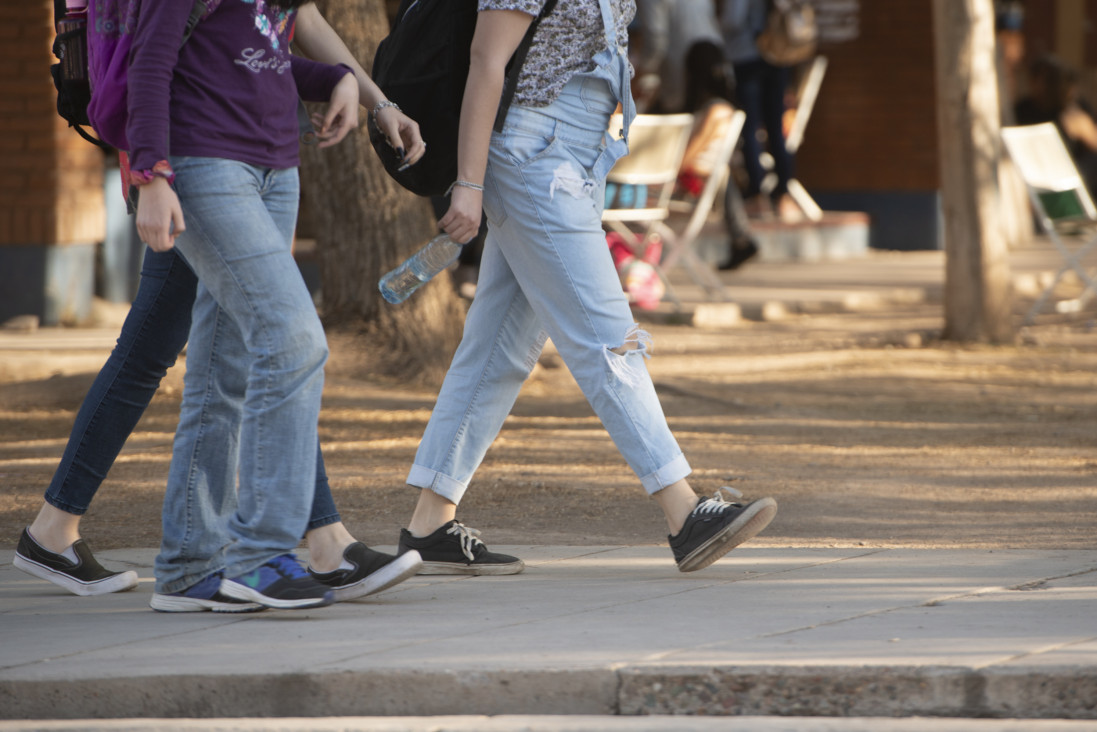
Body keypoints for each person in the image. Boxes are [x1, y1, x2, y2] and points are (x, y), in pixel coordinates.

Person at [13, 3, 426, 610]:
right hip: (203, 163)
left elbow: (254, 54)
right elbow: (151, 59)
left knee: (220, 367)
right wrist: (151, 173)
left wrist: (339, 80)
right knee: (290, 340)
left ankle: (187, 566)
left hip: (273, 165)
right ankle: (263, 556)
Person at [392, 0, 778, 575]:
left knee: (497, 350)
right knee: (605, 335)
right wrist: (468, 185)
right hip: (531, 151)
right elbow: (486, 59)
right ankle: (683, 509)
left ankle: (429, 522)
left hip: (580, 152)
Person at [678, 40, 758, 270]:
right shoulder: (724, 107)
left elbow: (685, 158)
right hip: (712, 182)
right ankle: (741, 239)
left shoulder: (714, 111)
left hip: (693, 187)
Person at [720, 0, 800, 221]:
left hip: (747, 56)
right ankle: (783, 193)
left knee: (750, 127)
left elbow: (733, 20)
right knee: (775, 127)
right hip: (778, 53)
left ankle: (757, 195)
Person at [1015, 54, 1097, 197]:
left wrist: (1087, 132)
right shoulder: (1023, 110)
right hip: (1039, 176)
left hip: (1076, 179)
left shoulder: (1076, 108)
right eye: (1048, 80)